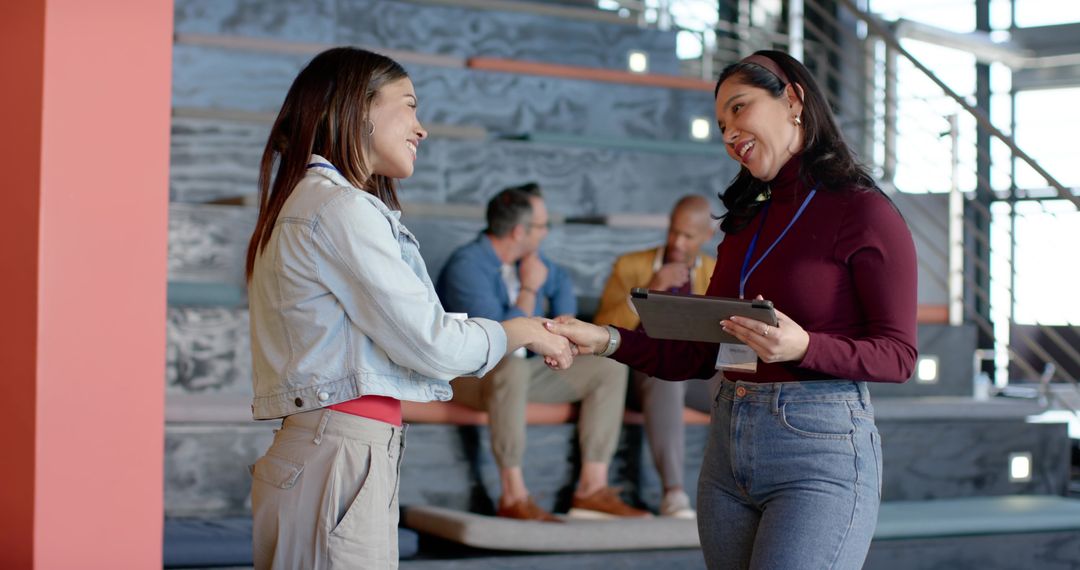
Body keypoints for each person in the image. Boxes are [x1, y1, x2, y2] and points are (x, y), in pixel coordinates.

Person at [547, 50, 917, 570]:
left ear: (793, 99)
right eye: (721, 124)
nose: (729, 134)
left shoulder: (865, 211)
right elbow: (699, 356)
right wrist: (606, 339)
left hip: (817, 450)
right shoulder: (744, 220)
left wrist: (804, 346)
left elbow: (898, 356)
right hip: (728, 449)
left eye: (739, 109)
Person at [244, 48, 574, 569]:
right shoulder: (340, 208)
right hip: (341, 456)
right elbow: (432, 343)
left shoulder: (310, 202)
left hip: (329, 452)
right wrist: (523, 330)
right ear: (358, 108)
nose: (421, 128)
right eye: (409, 105)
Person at [436, 183, 649, 522]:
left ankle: (592, 489)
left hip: (523, 374)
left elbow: (562, 288)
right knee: (510, 365)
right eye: (541, 226)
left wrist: (563, 325)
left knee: (609, 368)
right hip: (469, 377)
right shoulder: (468, 265)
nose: (546, 233)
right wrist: (532, 287)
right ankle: (513, 495)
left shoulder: (531, 260)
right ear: (520, 231)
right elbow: (499, 338)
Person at [593, 194, 718, 519]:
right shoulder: (630, 265)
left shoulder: (716, 272)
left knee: (742, 382)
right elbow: (600, 330)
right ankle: (673, 494)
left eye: (688, 236)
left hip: (696, 374)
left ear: (708, 236)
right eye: (673, 231)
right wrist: (650, 288)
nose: (677, 242)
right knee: (666, 375)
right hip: (641, 374)